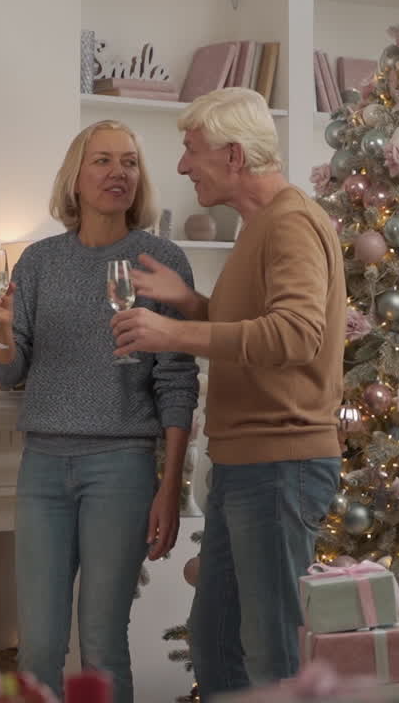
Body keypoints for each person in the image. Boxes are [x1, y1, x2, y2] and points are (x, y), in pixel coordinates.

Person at [108, 87, 346, 695]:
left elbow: (295, 335)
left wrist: (174, 331)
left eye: (193, 150)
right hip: (248, 466)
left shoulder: (290, 223)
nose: (183, 165)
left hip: (280, 465)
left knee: (272, 661)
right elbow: (259, 328)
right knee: (216, 648)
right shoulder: (260, 226)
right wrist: (193, 304)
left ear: (234, 155)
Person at [0, 120, 199, 702]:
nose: (118, 172)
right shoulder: (38, 262)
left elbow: (177, 380)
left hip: (121, 466)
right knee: (38, 647)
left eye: (129, 161)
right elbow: (8, 372)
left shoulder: (160, 260)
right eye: (102, 160)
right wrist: (1, 327)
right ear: (75, 177)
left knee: (101, 643)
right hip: (43, 466)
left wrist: (170, 485)